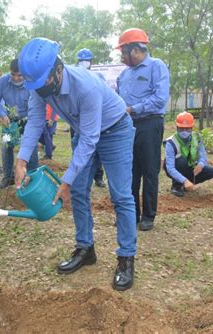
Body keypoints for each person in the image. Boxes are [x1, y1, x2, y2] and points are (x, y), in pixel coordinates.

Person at [16, 37, 137, 291]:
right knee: (80, 193)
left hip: (114, 130)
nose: (39, 90)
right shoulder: (39, 86)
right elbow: (36, 121)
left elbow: (91, 138)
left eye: (43, 84)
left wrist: (66, 180)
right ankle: (85, 249)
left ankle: (126, 258)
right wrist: (22, 159)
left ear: (58, 70)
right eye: (35, 85)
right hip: (84, 133)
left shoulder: (87, 86)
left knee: (121, 196)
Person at [116, 28, 170, 231]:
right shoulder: (124, 74)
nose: (122, 57)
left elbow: (160, 98)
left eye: (124, 52)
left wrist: (133, 109)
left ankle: (149, 215)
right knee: (130, 171)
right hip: (128, 125)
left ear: (136, 49)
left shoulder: (157, 66)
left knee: (149, 170)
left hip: (149, 123)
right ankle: (133, 214)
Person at [0, 58, 38, 189]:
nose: (16, 78)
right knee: (6, 147)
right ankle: (8, 177)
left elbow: (37, 106)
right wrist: (2, 114)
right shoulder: (3, 81)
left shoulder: (31, 83)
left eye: (19, 75)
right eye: (13, 75)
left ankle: (32, 177)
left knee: (31, 149)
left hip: (27, 120)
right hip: (9, 121)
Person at [164, 111, 213, 197]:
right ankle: (177, 185)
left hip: (190, 166)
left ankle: (188, 185)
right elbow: (170, 168)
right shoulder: (170, 142)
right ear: (177, 127)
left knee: (211, 172)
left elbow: (202, 155)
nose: (184, 131)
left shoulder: (197, 138)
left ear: (192, 127)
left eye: (187, 129)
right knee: (182, 161)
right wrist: (184, 180)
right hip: (176, 166)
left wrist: (200, 164)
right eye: (181, 128)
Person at [77, 48, 106, 188]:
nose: (84, 63)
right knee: (79, 148)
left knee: (97, 148)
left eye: (86, 60)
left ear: (91, 62)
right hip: (78, 120)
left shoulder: (98, 77)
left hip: (95, 119)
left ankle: (98, 177)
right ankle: (81, 178)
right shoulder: (75, 78)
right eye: (81, 61)